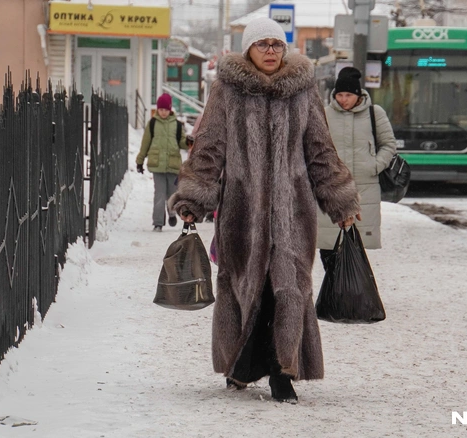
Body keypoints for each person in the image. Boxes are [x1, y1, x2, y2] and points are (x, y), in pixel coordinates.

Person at [168, 17, 360, 403]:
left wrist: (339, 201)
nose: (271, 51)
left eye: (277, 44)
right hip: (242, 215)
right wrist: (193, 200)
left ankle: (282, 372)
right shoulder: (227, 92)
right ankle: (240, 364)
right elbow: (208, 149)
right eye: (263, 44)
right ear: (248, 49)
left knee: (288, 289)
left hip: (294, 215)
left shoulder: (302, 92)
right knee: (244, 287)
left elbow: (321, 151)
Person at [317, 67, 397, 269]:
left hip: (365, 188)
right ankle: (333, 294)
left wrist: (374, 165)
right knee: (329, 248)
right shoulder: (324, 115)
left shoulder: (374, 113)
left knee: (356, 249)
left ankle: (351, 297)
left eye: (349, 95)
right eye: (340, 95)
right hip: (332, 188)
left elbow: (389, 144)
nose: (344, 99)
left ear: (358, 95)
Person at [136, 93, 188, 232]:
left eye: (165, 110)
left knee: (172, 193)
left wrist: (188, 142)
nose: (163, 112)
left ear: (170, 109)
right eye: (160, 110)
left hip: (173, 165)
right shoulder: (152, 124)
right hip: (157, 165)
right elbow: (145, 144)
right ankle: (158, 222)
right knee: (159, 194)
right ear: (157, 110)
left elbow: (182, 143)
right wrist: (139, 161)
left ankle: (171, 213)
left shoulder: (177, 125)